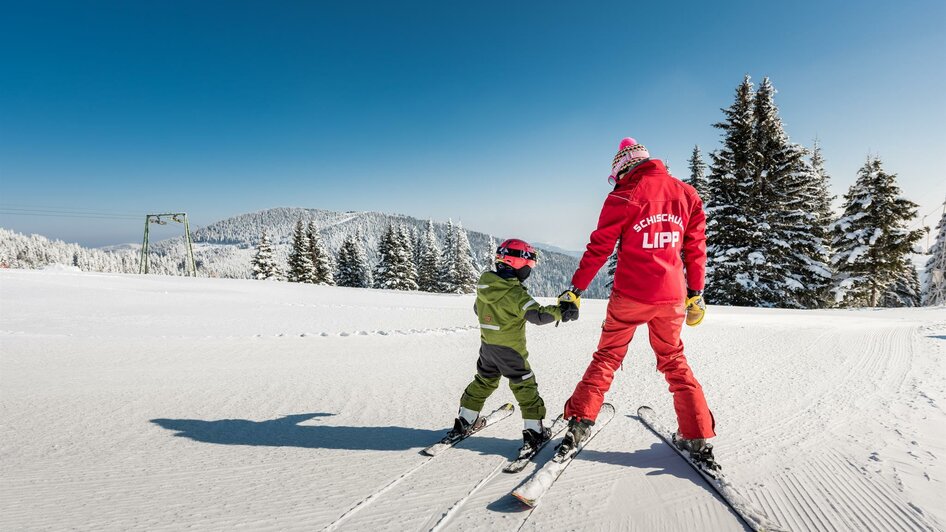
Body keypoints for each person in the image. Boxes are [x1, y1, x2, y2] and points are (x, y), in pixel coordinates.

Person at [556, 137, 717, 468]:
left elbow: (599, 247)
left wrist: (575, 289)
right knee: (674, 360)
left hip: (629, 295)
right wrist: (696, 293)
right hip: (671, 298)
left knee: (607, 357)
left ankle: (579, 423)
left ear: (623, 169)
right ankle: (697, 436)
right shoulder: (688, 195)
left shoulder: (623, 195)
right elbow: (696, 248)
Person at [444, 238, 571, 458]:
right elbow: (538, 316)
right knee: (524, 385)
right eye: (529, 265)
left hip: (488, 348)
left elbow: (478, 309)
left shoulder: (485, 288)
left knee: (484, 381)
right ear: (517, 264)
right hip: (510, 351)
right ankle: (534, 432)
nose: (530, 270)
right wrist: (563, 311)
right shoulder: (515, 294)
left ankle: (465, 419)